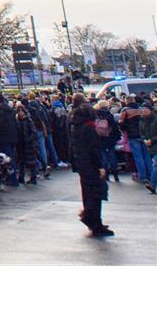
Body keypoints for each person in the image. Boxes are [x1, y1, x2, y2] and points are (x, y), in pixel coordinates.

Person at [70, 93, 113, 236]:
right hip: (91, 165)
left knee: (88, 193)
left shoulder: (75, 125)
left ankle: (92, 220)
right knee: (96, 193)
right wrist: (100, 166)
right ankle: (95, 222)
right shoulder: (88, 128)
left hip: (82, 163)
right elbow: (93, 149)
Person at [14, 103, 40, 185]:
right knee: (21, 161)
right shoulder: (18, 120)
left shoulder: (28, 120)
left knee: (31, 161)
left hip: (29, 144)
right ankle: (21, 177)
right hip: (21, 144)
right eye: (18, 111)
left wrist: (29, 139)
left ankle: (33, 177)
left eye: (21, 111)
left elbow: (33, 132)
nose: (20, 113)